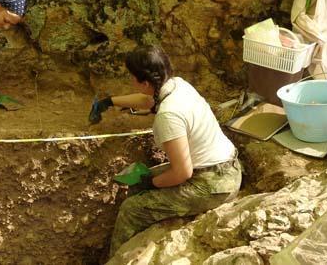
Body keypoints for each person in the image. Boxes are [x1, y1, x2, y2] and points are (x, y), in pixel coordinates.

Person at [89, 45, 242, 257]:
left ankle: (117, 260)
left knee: (131, 210)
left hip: (214, 185)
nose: (130, 81)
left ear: (144, 82)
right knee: (136, 188)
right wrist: (109, 102)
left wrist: (150, 183)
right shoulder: (178, 85)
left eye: (132, 77)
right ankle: (139, 241)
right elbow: (147, 100)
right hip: (221, 167)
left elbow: (182, 173)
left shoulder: (168, 116)